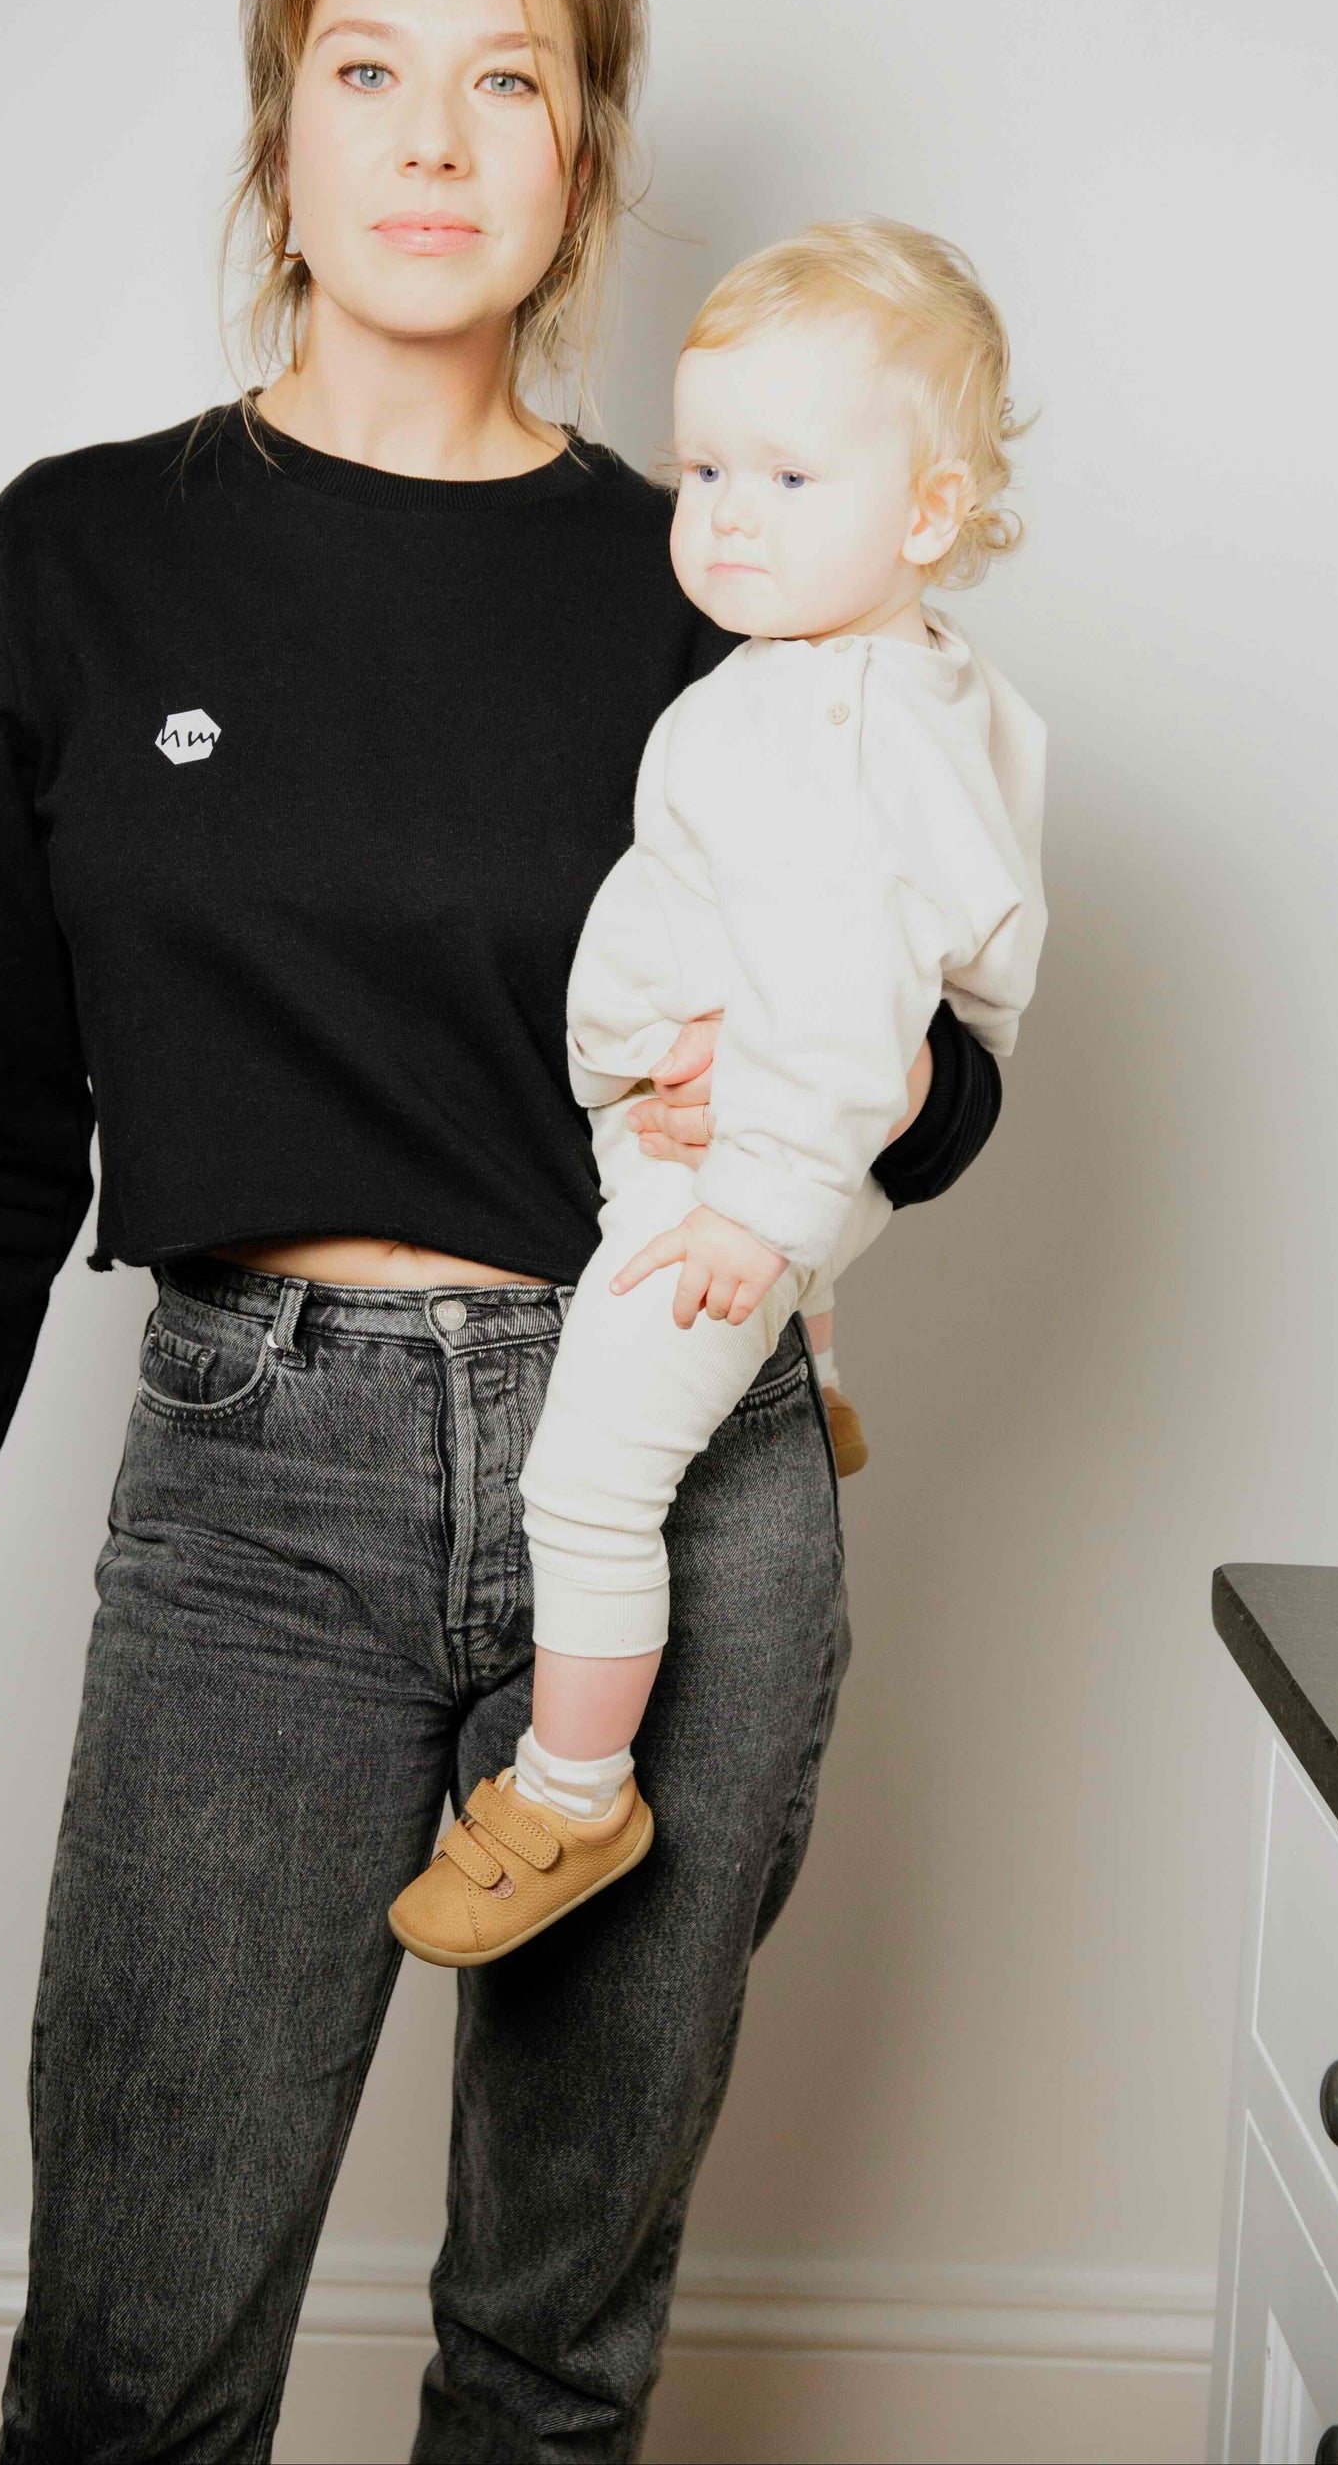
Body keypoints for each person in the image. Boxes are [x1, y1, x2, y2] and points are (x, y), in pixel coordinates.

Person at [0, 0, 1004, 2463]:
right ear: (279, 121)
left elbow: (922, 1094)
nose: (433, 140)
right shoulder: (85, 557)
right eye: (371, 69)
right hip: (254, 1490)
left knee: (552, 2361)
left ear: (582, 141)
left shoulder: (709, 587)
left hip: (685, 1481)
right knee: (135, 2366)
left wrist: (888, 1067)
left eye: (504, 80)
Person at [387, 219, 1046, 1969]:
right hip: (743, 1158)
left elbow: (842, 1016)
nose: (724, 511)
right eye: (701, 467)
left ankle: (572, 1788)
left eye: (785, 472)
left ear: (924, 515)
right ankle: (812, 1368)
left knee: (587, 1485)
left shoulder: (824, 725)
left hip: (739, 1176)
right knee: (699, 1264)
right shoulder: (863, 676)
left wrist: (756, 1206)